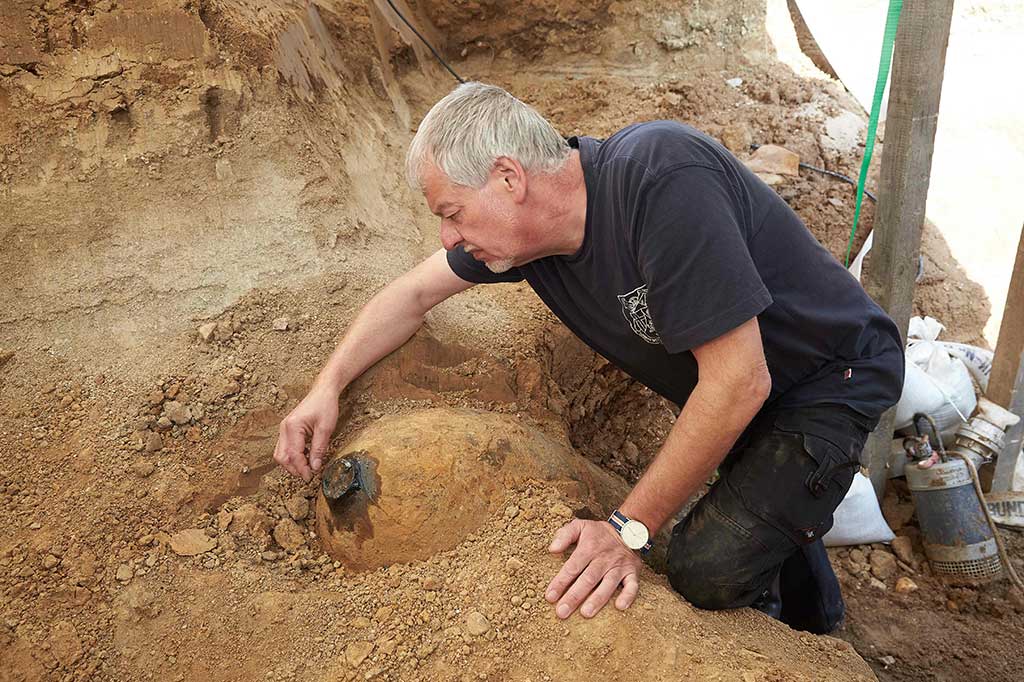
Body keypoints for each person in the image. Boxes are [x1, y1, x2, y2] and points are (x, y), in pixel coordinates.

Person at [273, 82, 904, 633]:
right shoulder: (528, 240)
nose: (449, 237)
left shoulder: (659, 180)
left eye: (452, 213)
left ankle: (787, 633)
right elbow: (411, 294)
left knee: (701, 571)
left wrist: (627, 529)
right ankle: (816, 620)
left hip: (827, 376)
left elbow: (738, 383)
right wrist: (325, 387)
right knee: (757, 488)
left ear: (509, 178)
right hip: (750, 387)